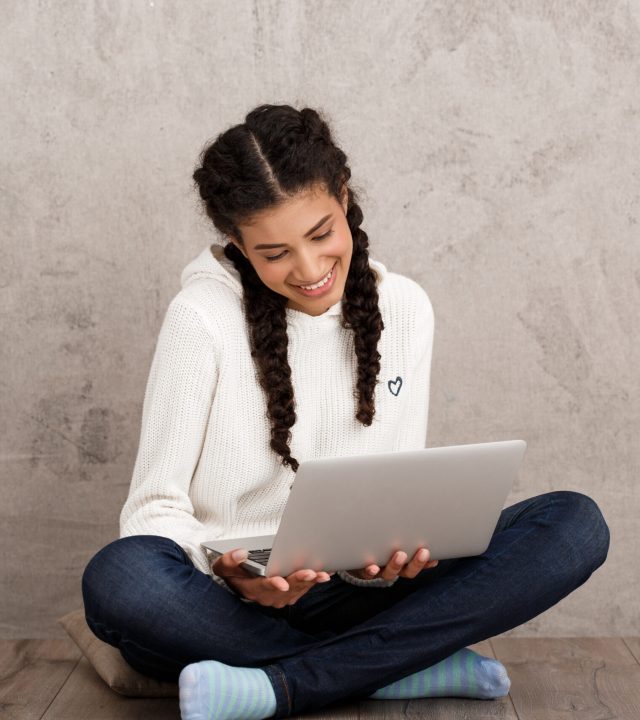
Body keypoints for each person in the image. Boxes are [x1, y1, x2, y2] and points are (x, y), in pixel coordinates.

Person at [81, 104, 610, 720]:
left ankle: (288, 684)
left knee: (574, 525)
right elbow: (152, 511)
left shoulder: (405, 307)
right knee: (122, 578)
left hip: (359, 593)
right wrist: (231, 572)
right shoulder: (200, 318)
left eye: (321, 234)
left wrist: (394, 557)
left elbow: (397, 484)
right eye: (274, 252)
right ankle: (393, 667)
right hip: (228, 605)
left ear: (343, 196)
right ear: (237, 244)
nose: (308, 270)